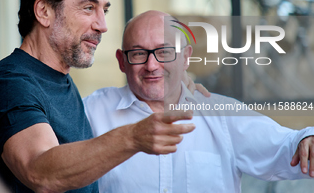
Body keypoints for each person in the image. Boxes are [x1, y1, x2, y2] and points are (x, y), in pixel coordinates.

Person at [0, 0, 198, 193]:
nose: (102, 26)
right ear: (44, 12)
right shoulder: (9, 84)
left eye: (104, 11)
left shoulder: (58, 80)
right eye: (89, 8)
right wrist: (132, 137)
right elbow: (40, 172)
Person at [83, 10, 314, 193]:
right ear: (122, 62)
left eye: (164, 52)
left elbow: (286, 147)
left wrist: (306, 137)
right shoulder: (91, 112)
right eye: (138, 54)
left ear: (186, 57)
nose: (151, 65)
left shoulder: (222, 114)